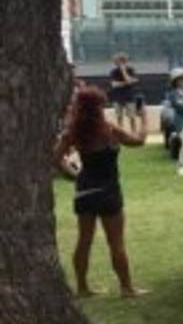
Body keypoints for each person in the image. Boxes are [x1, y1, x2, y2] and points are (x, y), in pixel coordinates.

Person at [54, 87, 148, 298]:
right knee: (115, 242)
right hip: (109, 191)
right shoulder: (109, 130)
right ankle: (126, 288)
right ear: (99, 107)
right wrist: (143, 120)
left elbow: (56, 158)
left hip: (85, 191)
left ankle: (82, 288)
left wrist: (73, 175)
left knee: (83, 240)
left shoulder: (72, 132)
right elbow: (139, 141)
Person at [108, 53, 141, 135]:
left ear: (123, 61)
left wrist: (123, 71)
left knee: (132, 116)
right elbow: (114, 84)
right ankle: (120, 132)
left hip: (129, 96)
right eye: (115, 62)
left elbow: (132, 81)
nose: (116, 63)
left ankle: (134, 132)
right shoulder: (113, 72)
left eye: (118, 61)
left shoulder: (131, 70)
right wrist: (126, 82)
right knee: (119, 116)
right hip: (117, 96)